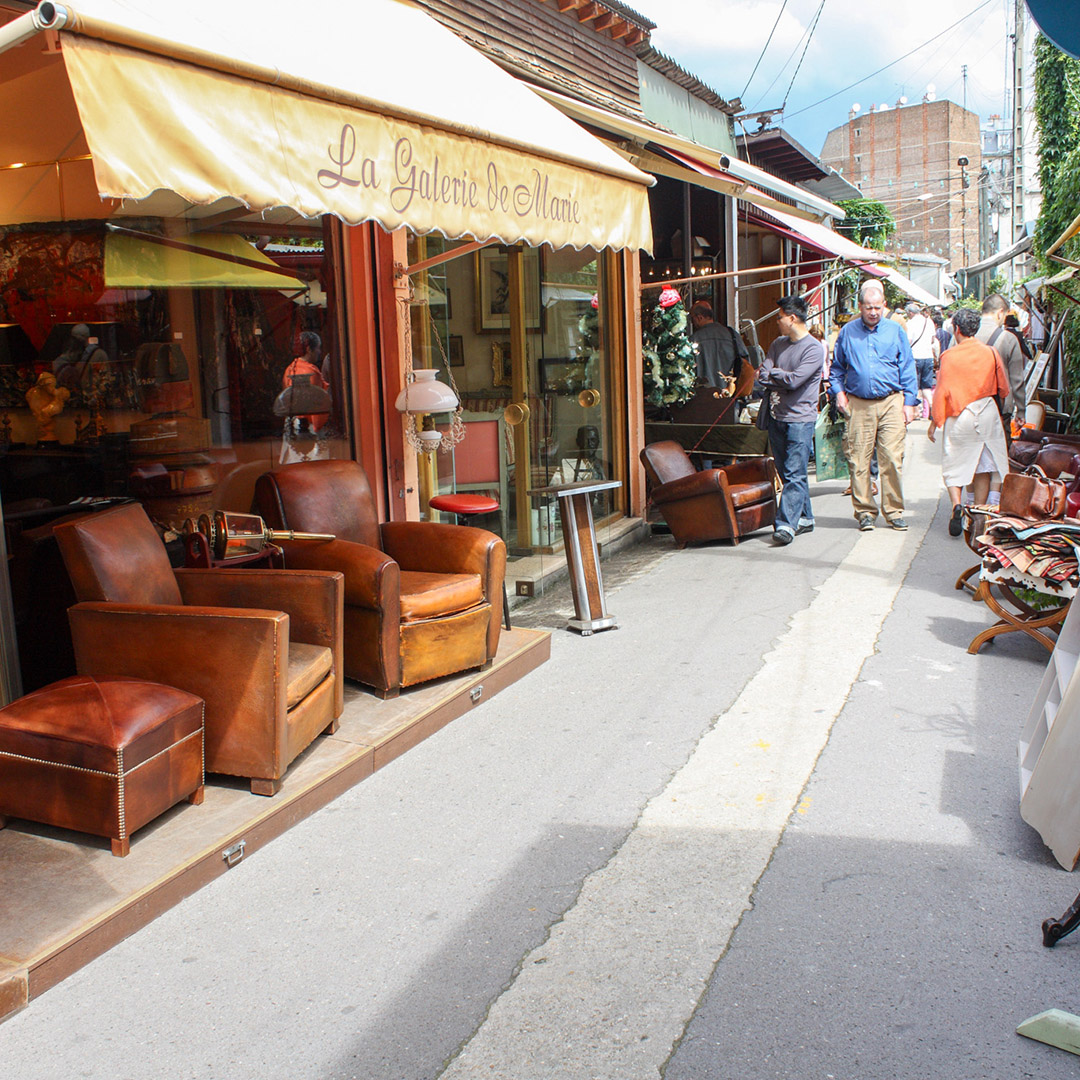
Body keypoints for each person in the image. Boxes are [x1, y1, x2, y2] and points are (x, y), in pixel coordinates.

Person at [829, 280, 919, 532]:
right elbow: (836, 370)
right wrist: (839, 394)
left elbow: (907, 366)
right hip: (858, 403)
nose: (873, 312)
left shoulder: (895, 330)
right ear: (860, 307)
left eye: (877, 307)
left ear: (884, 306)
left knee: (891, 457)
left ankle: (894, 510)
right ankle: (865, 512)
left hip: (891, 401)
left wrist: (909, 402)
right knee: (859, 460)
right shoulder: (847, 332)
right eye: (868, 307)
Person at [927, 307, 1010, 536]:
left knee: (954, 463)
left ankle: (957, 505)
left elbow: (942, 391)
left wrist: (936, 421)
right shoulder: (991, 352)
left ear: (956, 329)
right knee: (983, 465)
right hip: (986, 412)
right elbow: (1003, 388)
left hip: (960, 415)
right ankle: (978, 514)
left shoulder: (949, 356)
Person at [756, 295, 822, 546]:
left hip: (800, 419)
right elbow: (762, 374)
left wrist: (776, 375)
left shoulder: (814, 348)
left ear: (792, 318)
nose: (777, 321)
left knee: (794, 472)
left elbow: (795, 381)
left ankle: (785, 524)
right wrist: (779, 375)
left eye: (780, 317)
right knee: (787, 472)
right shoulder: (777, 344)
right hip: (776, 416)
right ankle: (805, 516)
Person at [976, 294, 1025, 434]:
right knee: (999, 452)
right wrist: (1021, 411)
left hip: (968, 406)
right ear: (1000, 313)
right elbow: (1017, 379)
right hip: (999, 406)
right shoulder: (1008, 339)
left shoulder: (964, 334)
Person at [689, 300, 749, 388]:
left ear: (699, 318)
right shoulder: (732, 335)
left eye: (692, 318)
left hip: (704, 396)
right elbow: (746, 364)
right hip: (730, 394)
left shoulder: (694, 339)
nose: (692, 323)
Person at [282, 330, 330, 433]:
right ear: (309, 349)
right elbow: (318, 406)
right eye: (318, 348)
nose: (319, 352)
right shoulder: (312, 372)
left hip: (291, 427)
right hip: (310, 428)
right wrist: (317, 430)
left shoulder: (289, 370)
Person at [904, 302, 936, 418]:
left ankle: (918, 412)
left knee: (915, 386)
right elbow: (933, 340)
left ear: (910, 313)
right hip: (928, 357)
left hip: (915, 357)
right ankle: (932, 406)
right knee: (926, 386)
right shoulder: (929, 321)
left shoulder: (910, 323)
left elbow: (909, 341)